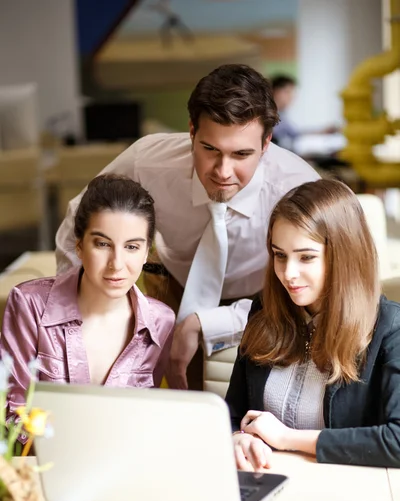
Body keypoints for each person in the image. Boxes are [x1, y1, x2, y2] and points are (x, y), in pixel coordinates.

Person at [56, 64, 319, 391]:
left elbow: (322, 285)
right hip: (172, 283)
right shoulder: (147, 161)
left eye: (241, 154)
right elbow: (79, 217)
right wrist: (73, 315)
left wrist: (206, 323)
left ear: (266, 143)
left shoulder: (297, 186)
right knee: (169, 402)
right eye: (210, 149)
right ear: (192, 130)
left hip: (269, 298)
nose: (223, 171)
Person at [226, 179, 400, 469]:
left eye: (306, 257)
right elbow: (233, 412)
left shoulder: (390, 326)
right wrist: (237, 436)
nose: (288, 273)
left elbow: (396, 441)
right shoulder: (265, 310)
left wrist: (289, 438)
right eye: (279, 255)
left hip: (347, 493)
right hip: (265, 480)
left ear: (344, 255)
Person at [1, 174, 175, 442]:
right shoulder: (30, 305)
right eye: (102, 244)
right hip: (43, 471)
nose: (116, 264)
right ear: (80, 246)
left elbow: (144, 419)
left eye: (131, 247)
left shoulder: (161, 322)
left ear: (146, 252)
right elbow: (14, 417)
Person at [271, 75, 338, 150]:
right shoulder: (268, 115)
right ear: (275, 92)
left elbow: (296, 134)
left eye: (292, 93)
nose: (291, 97)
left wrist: (322, 131)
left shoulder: (281, 115)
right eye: (287, 92)